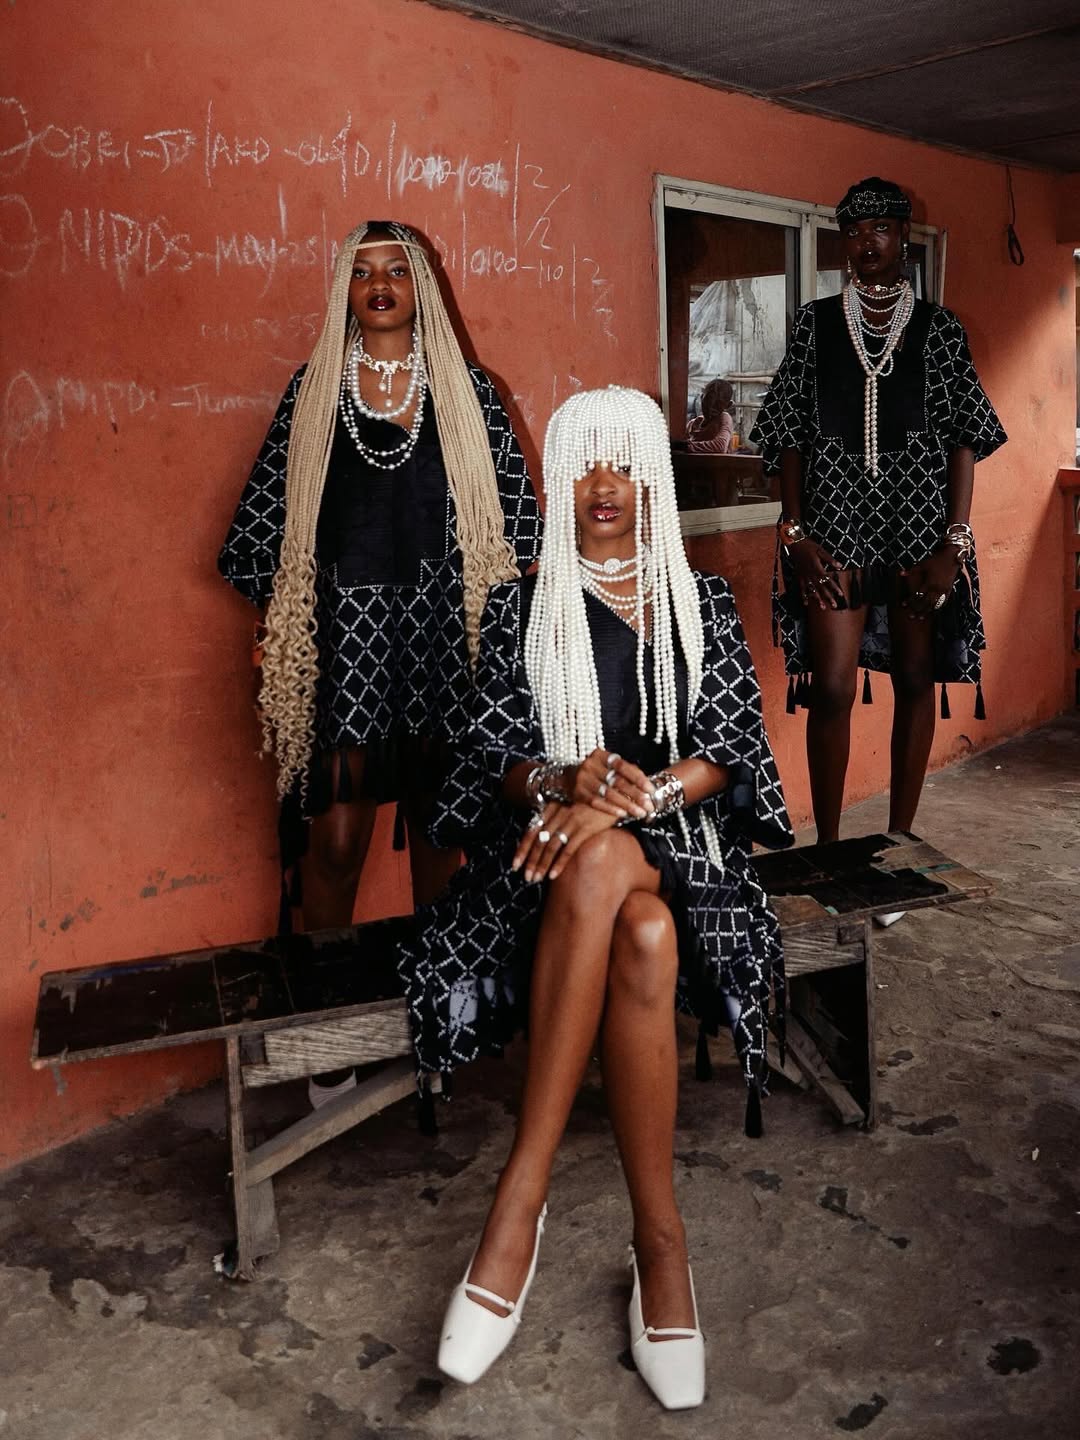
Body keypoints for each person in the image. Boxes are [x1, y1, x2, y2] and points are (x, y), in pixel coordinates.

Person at [400, 387, 792, 1408]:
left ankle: (516, 1208)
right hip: (549, 880)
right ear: (559, 485)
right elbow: (488, 760)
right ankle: (661, 1244)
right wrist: (559, 784)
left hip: (690, 858)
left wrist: (635, 801)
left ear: (652, 480)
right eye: (582, 466)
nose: (603, 486)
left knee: (619, 866)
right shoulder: (529, 605)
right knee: (643, 934)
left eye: (622, 465)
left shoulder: (698, 602)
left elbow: (731, 754)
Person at [218, 221, 541, 1100]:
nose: (382, 284)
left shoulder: (471, 393)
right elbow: (261, 532)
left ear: (423, 286)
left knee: (445, 839)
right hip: (345, 647)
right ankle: (328, 1041)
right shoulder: (314, 393)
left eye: (398, 269)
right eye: (364, 274)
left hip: (447, 643)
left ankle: (440, 1020)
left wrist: (509, 642)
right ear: (344, 293)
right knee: (336, 844)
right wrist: (284, 623)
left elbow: (517, 525)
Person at [750, 177, 1006, 851]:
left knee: (916, 680)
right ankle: (830, 849)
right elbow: (788, 432)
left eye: (881, 230)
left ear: (904, 238)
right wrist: (795, 533)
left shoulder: (939, 329)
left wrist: (955, 540)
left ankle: (898, 839)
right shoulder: (813, 324)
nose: (867, 243)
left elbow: (964, 438)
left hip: (919, 531)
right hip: (833, 530)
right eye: (855, 232)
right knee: (832, 689)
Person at [686, 377, 735, 454]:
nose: (710, 408)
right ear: (701, 398)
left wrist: (686, 446)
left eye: (717, 404)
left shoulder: (724, 418)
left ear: (728, 405)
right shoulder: (693, 424)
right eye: (707, 401)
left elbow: (720, 447)